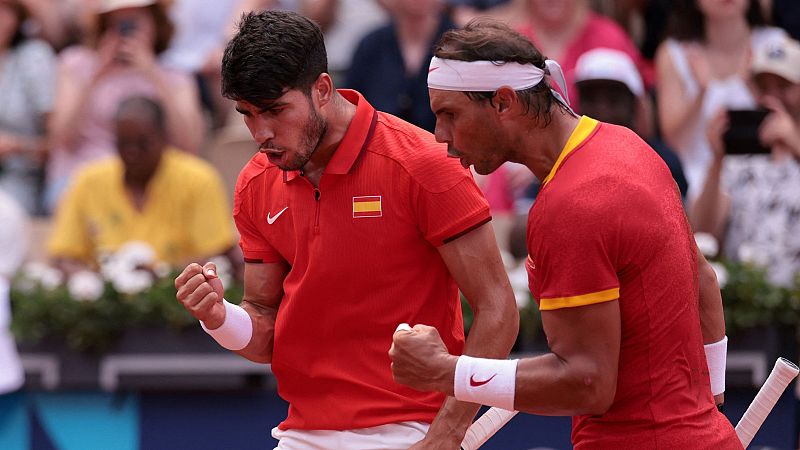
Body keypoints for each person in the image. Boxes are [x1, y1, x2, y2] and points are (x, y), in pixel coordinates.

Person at [173, 10, 518, 450]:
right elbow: (264, 329)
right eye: (247, 114)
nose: (260, 132)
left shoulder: (424, 165)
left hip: (412, 430)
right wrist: (219, 318)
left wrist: (446, 434)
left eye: (275, 111)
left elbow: (498, 311)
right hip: (301, 433)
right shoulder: (255, 183)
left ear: (321, 90)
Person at [389, 20, 739, 449]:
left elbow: (587, 382)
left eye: (449, 115)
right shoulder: (628, 145)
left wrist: (445, 371)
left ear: (503, 103)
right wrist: (710, 397)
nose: (441, 137)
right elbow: (702, 280)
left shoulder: (571, 204)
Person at [45, 0, 204, 213]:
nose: (124, 31)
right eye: (117, 23)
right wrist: (96, 75)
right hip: (80, 179)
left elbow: (189, 146)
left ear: (155, 23)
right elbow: (60, 138)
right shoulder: (76, 64)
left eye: (133, 23)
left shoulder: (174, 76)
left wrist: (152, 73)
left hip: (154, 184)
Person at [47, 96, 236, 274]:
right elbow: (63, 256)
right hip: (104, 298)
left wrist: (160, 276)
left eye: (142, 143)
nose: (132, 153)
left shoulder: (198, 179)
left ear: (164, 138)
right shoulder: (88, 180)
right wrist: (99, 283)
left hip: (179, 299)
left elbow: (216, 253)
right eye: (124, 144)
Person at [692, 35, 800, 287]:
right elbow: (703, 234)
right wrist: (716, 161)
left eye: (784, 86)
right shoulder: (734, 159)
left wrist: (794, 143)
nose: (772, 97)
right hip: (745, 308)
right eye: (763, 86)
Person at [654, 0, 785, 204]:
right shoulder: (673, 52)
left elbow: (789, 123)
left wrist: (754, 87)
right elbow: (673, 140)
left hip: (766, 180)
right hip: (696, 183)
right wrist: (701, 93)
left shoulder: (775, 44)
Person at [574, 47, 688, 200]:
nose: (601, 110)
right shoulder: (559, 162)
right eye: (591, 99)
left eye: (613, 99)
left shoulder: (664, 165)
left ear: (635, 106)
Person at [346, 0, 455, 132]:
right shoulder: (370, 45)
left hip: (443, 147)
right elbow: (351, 106)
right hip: (379, 144)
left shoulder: (460, 46)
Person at [0, 0, 57, 215]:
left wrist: (16, 146)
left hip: (19, 178)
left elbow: (57, 145)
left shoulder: (34, 57)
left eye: (5, 11)